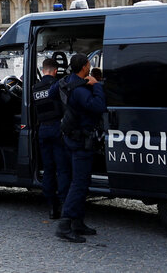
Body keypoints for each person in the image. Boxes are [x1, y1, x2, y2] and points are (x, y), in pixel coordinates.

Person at [54, 53, 105, 243]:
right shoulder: (81, 88)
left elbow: (52, 94)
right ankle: (65, 224)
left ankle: (77, 222)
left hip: (70, 137)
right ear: (84, 67)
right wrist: (97, 86)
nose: (90, 66)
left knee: (79, 181)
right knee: (79, 183)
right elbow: (98, 106)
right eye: (89, 64)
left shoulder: (66, 82)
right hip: (81, 141)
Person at [32, 57, 69, 220]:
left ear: (43, 68)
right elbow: (65, 107)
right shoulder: (56, 85)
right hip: (56, 128)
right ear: (55, 71)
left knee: (48, 169)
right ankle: (63, 203)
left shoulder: (35, 88)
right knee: (62, 169)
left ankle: (52, 206)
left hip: (43, 130)